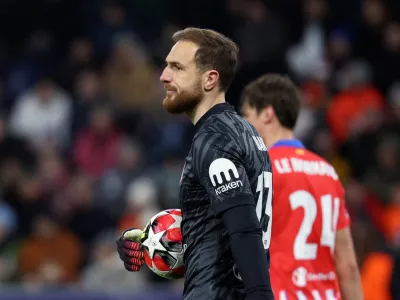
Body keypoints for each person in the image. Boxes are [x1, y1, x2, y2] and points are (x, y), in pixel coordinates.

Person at [116, 27, 274, 300]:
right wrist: (150, 242)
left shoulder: (214, 140)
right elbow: (221, 224)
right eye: (166, 66)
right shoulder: (245, 133)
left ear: (210, 79)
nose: (164, 76)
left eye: (177, 68)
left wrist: (261, 295)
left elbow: (244, 228)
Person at [241, 74, 363, 300]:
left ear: (267, 114)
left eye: (248, 116)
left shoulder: (259, 170)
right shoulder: (328, 172)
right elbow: (347, 266)